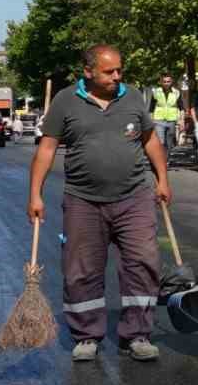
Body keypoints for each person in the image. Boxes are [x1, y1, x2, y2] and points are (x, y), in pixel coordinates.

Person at [27, 44, 172, 363]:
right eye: (109, 71)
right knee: (82, 270)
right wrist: (35, 194)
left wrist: (162, 179)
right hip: (83, 201)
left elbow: (150, 139)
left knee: (142, 264)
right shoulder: (65, 100)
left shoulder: (132, 96)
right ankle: (86, 336)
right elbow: (47, 149)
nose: (117, 76)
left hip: (135, 197)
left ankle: (137, 334)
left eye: (120, 69)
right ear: (88, 71)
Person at [148, 74, 181, 158]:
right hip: (158, 120)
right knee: (161, 142)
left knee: (169, 143)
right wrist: (151, 120)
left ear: (171, 82)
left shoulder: (176, 92)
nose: (166, 83)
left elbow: (181, 107)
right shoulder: (156, 92)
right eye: (164, 82)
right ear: (161, 82)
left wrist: (182, 120)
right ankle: (161, 160)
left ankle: (166, 158)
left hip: (171, 120)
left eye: (168, 81)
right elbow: (151, 108)